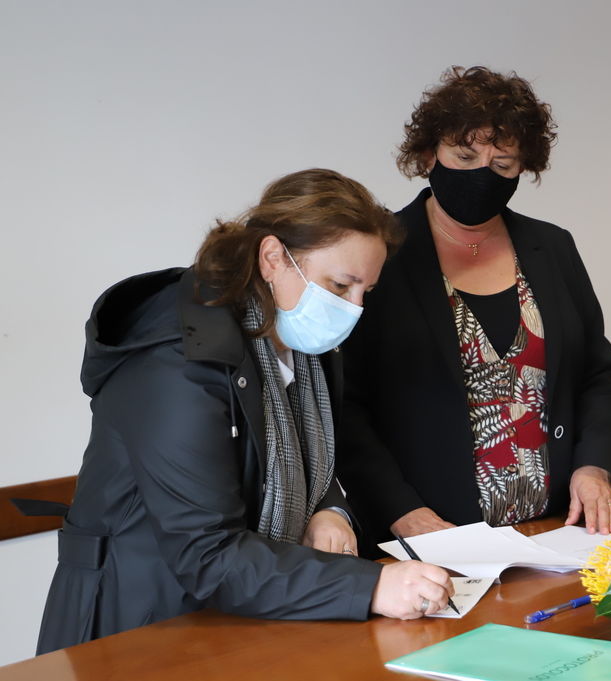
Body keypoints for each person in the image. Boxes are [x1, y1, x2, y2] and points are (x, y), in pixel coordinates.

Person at [36, 169, 454, 655]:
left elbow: (307, 456)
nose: (354, 309)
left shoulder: (302, 345)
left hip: (233, 617)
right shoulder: (177, 361)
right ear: (273, 257)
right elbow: (207, 554)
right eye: (340, 286)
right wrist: (370, 587)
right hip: (138, 623)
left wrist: (329, 509)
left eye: (367, 291)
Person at [338, 66, 611, 549]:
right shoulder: (382, 252)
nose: (481, 174)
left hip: (557, 532)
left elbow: (597, 373)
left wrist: (594, 464)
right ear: (430, 152)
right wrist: (401, 511)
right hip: (434, 539)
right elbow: (345, 402)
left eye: (503, 164)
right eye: (465, 155)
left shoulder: (552, 247)